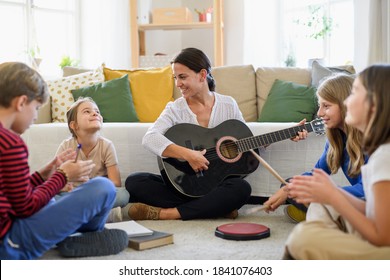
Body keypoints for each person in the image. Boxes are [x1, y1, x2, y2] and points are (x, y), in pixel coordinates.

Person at [0, 62, 127, 260]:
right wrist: (62, 176)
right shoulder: (11, 142)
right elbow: (25, 207)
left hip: (10, 226)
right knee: (103, 188)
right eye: (36, 108)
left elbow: (13, 195)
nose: (35, 117)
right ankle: (83, 235)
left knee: (50, 199)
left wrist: (43, 175)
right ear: (21, 102)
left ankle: (67, 234)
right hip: (10, 242)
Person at [124, 47, 251, 220]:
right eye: (175, 78)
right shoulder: (175, 108)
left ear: (202, 75)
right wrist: (189, 155)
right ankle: (215, 208)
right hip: (185, 185)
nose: (177, 84)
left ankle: (169, 214)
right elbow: (150, 138)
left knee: (241, 188)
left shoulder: (229, 104)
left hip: (216, 184)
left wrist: (285, 135)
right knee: (135, 181)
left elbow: (245, 140)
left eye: (182, 77)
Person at [284, 64, 390, 259]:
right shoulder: (376, 151)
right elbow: (372, 210)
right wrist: (294, 189)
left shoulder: (384, 155)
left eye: (353, 94)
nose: (347, 101)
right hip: (375, 222)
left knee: (302, 238)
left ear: (373, 104)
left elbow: (383, 235)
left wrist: (333, 195)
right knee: (316, 205)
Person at [264, 74, 368, 223]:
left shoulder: (373, 139)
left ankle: (322, 217)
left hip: (376, 204)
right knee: (291, 184)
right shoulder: (336, 139)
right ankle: (324, 216)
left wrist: (326, 193)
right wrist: (289, 188)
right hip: (358, 202)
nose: (319, 113)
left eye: (326, 106)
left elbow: (369, 190)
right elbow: (316, 174)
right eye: (320, 105)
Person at [56, 97, 130, 222]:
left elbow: (116, 183)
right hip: (74, 193)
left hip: (97, 193)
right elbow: (56, 180)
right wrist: (66, 188)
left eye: (97, 111)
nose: (95, 113)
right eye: (87, 111)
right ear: (74, 125)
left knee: (123, 195)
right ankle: (99, 213)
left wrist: (93, 188)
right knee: (53, 197)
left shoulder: (107, 145)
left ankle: (80, 213)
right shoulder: (66, 146)